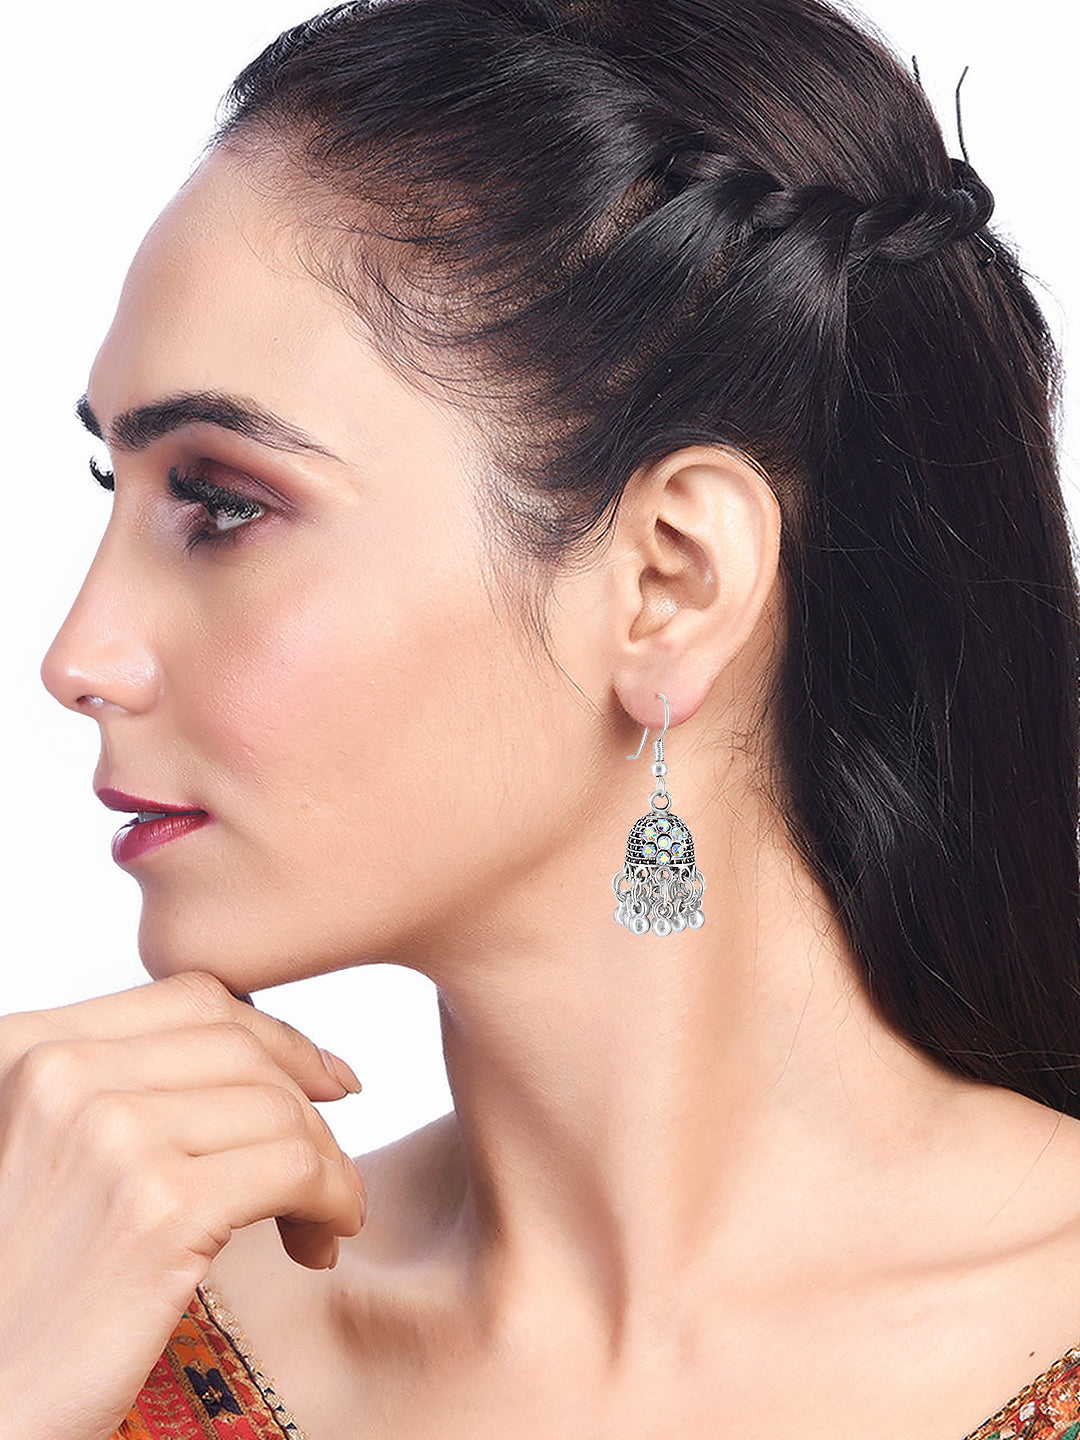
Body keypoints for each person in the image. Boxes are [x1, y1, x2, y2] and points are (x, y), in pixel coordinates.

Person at [3, 0, 1079, 1434]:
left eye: (222, 504)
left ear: (669, 581)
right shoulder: (88, 1327)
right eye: (116, 490)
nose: (79, 658)